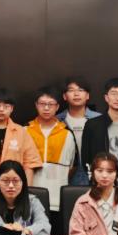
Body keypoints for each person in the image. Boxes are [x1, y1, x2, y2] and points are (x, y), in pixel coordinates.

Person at [26, 85, 76, 219]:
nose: (46, 108)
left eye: (51, 104)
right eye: (42, 104)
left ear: (57, 106)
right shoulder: (25, 131)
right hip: (29, 197)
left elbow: (72, 166)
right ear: (36, 105)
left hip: (58, 199)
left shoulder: (67, 134)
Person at [0, 160, 51, 235]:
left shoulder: (33, 202)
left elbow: (45, 226)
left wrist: (24, 231)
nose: (11, 186)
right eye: (6, 181)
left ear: (22, 183)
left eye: (15, 181)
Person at [69, 153, 118, 235]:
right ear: (93, 172)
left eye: (110, 171)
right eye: (99, 171)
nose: (104, 175)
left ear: (116, 174)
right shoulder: (82, 203)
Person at [57, 77, 100, 178]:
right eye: (71, 90)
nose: (76, 94)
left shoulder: (99, 119)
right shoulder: (57, 120)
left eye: (80, 90)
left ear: (87, 95)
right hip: (65, 173)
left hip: (93, 173)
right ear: (64, 96)